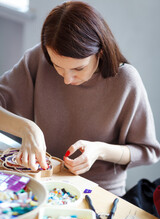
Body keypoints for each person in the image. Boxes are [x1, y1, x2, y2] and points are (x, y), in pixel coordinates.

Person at [0, 1, 160, 196]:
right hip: (45, 182)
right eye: (57, 66)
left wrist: (100, 150)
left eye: (78, 68)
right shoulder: (39, 59)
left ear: (99, 53)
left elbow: (148, 151)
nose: (67, 79)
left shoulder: (126, 81)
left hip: (98, 192)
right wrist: (26, 128)